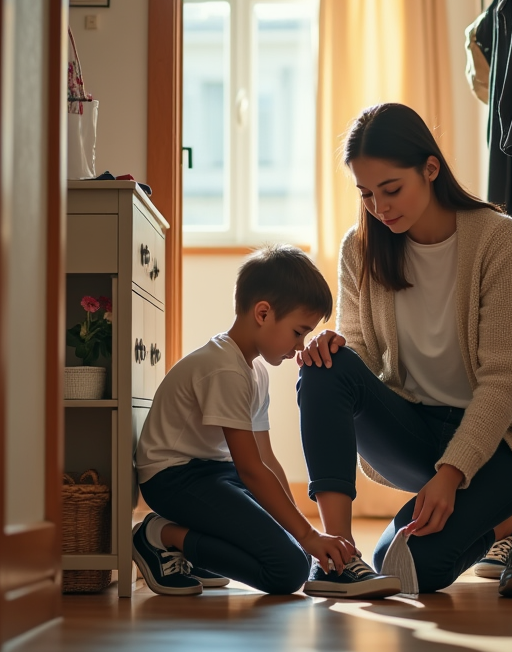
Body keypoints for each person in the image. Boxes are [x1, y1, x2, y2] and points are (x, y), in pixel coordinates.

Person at [298, 102, 512, 599]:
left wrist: (451, 474)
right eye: (367, 194)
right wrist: (332, 345)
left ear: (431, 168)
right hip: (418, 431)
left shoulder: (498, 240)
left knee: (403, 568)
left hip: (503, 444)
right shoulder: (360, 248)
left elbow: (503, 380)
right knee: (324, 366)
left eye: (391, 189)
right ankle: (336, 552)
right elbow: (361, 352)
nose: (380, 207)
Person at [133, 245, 398, 598]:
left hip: (214, 472)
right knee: (287, 570)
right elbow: (251, 469)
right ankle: (159, 535)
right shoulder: (224, 368)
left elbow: (267, 461)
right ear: (262, 313)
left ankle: (192, 546)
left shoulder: (255, 369)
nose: (300, 346)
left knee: (289, 544)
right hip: (172, 477)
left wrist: (300, 531)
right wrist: (306, 537)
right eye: (298, 332)